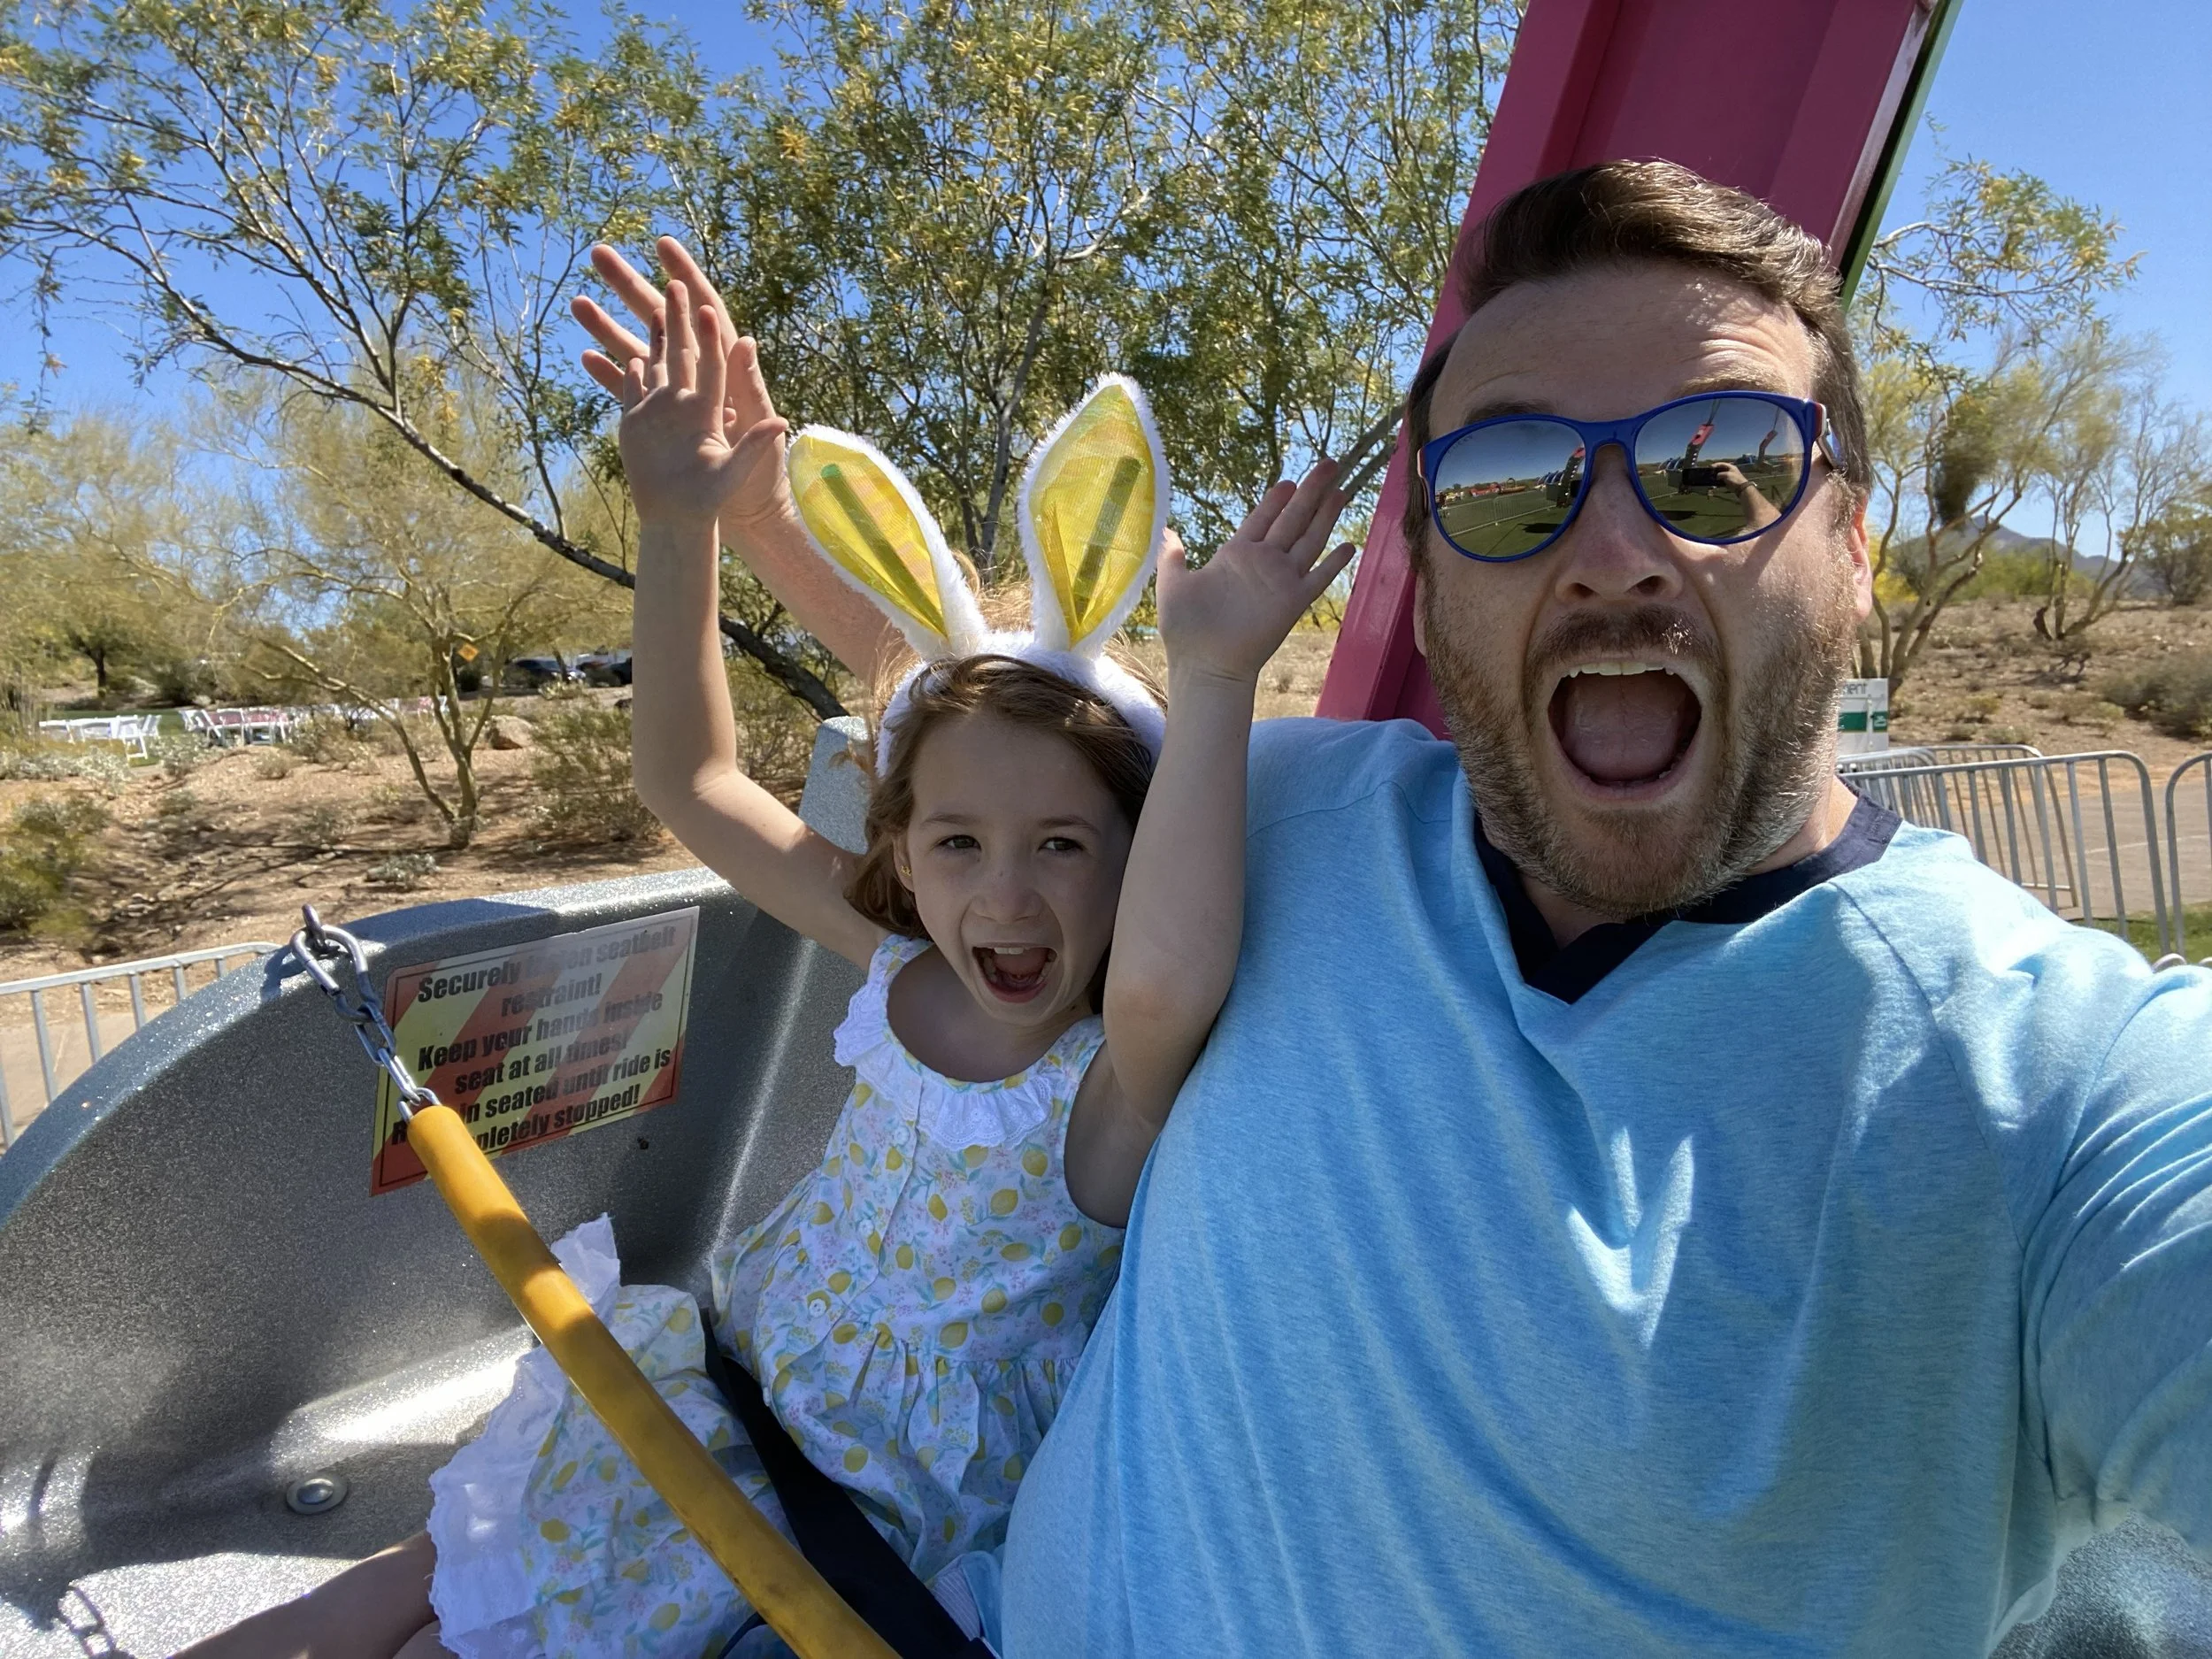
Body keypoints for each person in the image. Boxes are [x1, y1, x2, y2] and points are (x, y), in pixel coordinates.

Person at [580, 164, 2212, 1655]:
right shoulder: (1265, 809)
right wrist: (740, 510)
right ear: (1428, 574)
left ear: (1855, 541)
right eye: (1513, 483)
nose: (1619, 550)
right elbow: (974, 736)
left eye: (1721, 467)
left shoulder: (2065, 1088)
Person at [184, 275, 1350, 1656]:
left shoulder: (1109, 1086)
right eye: (963, 842)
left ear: (1133, 859)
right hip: (702, 1392)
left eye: (1065, 845)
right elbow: (691, 778)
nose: (1011, 893)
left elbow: (1164, 980)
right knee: (383, 1588)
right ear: (901, 851)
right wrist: (680, 524)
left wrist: (1217, 683)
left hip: (827, 1530)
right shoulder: (899, 962)